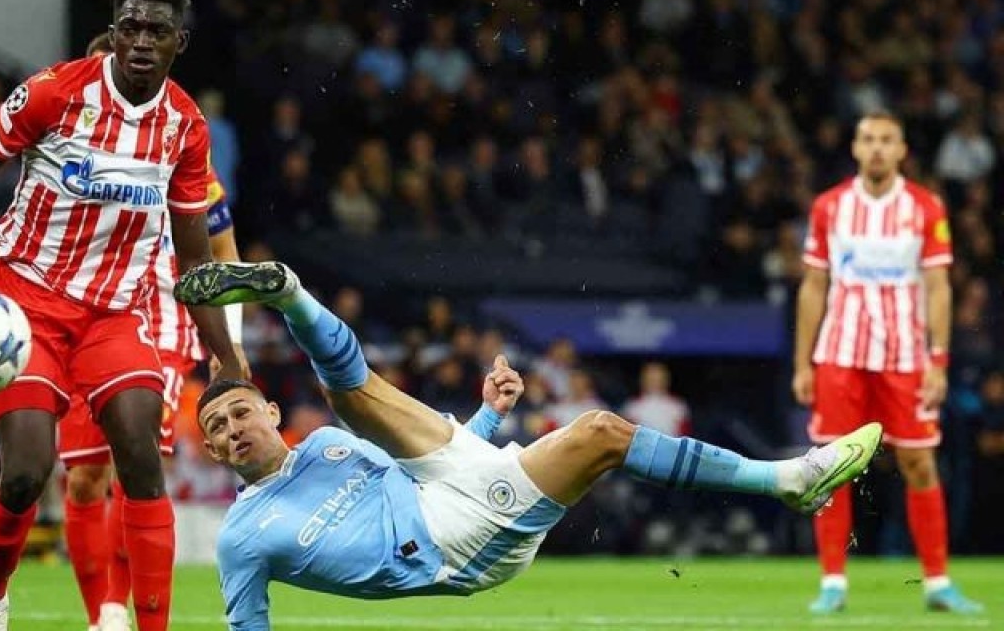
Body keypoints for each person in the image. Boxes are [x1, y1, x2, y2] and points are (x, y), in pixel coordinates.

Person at [173, 260, 883, 631]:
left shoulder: (325, 445)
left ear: (269, 409)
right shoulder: (243, 538)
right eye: (218, 430)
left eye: (240, 412)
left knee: (350, 400)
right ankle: (788, 479)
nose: (234, 430)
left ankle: (290, 293)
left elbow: (429, 464)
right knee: (602, 433)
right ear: (213, 451)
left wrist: (484, 418)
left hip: (445, 482)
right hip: (448, 545)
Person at [0, 0, 244, 631]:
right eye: (130, 27)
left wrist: (228, 360)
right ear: (113, 33)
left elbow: (195, 256)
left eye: (157, 31)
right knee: (26, 475)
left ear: (179, 42)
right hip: (25, 301)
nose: (141, 41)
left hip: (116, 312)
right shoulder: (53, 94)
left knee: (142, 460)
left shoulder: (185, 127)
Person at [59, 32, 248, 631]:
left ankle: (122, 611)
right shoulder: (64, 153)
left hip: (163, 318)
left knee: (135, 456)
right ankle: (102, 616)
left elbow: (222, 245)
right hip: (77, 314)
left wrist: (231, 340)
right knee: (85, 477)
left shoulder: (173, 144)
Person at [793, 111, 982, 614]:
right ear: (856, 148)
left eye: (886, 140)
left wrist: (938, 360)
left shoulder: (925, 207)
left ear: (901, 150)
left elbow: (938, 288)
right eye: (868, 139)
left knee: (918, 462)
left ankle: (937, 583)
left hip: (905, 357)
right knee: (831, 468)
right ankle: (833, 583)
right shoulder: (830, 207)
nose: (877, 148)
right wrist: (803, 362)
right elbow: (813, 286)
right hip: (840, 354)